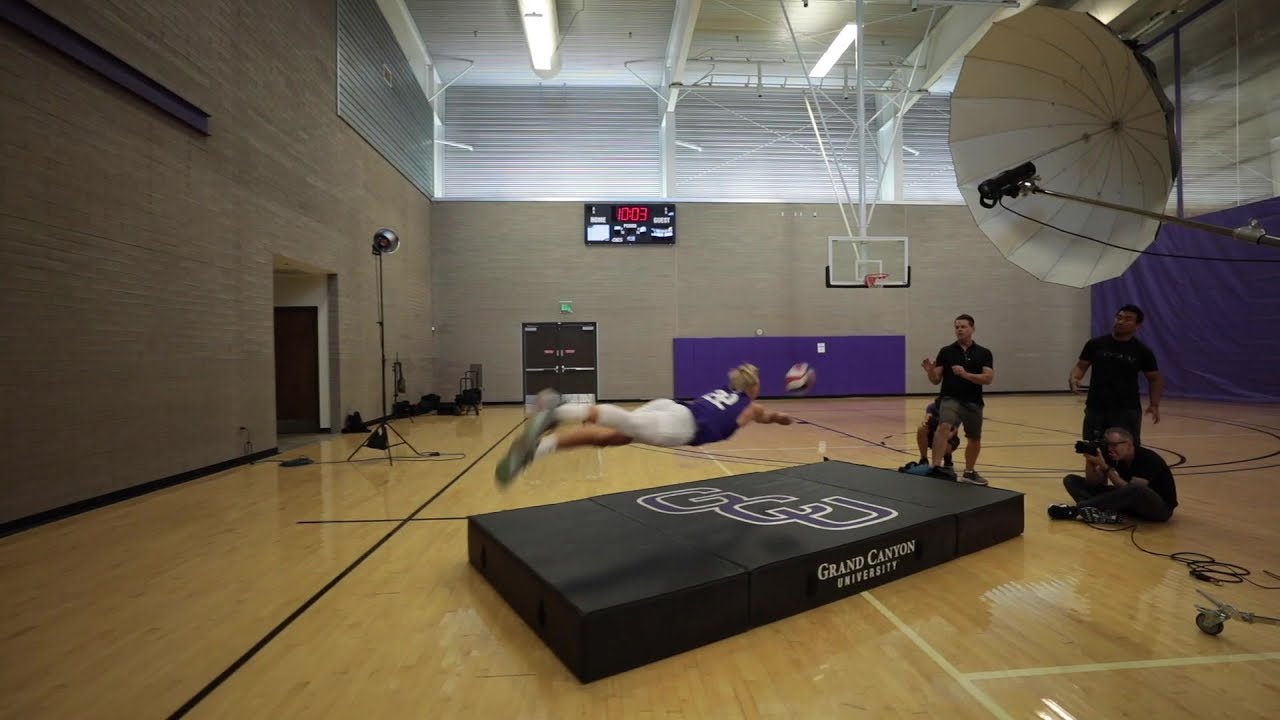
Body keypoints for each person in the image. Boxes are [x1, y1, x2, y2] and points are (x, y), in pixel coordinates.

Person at [495, 363, 794, 486]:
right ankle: (560, 411)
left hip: (672, 407)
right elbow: (772, 417)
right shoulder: (752, 407)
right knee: (627, 422)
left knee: (612, 437)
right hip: (681, 427)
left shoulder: (728, 392)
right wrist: (785, 419)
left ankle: (538, 448)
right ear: (754, 388)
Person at [908, 314, 993, 484]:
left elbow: (988, 378)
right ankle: (936, 467)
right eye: (957, 327)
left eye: (963, 326)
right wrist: (931, 371)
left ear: (972, 329)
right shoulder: (946, 351)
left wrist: (966, 374)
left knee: (974, 438)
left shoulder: (984, 353)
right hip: (950, 398)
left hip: (973, 401)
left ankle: (969, 472)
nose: (959, 330)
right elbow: (935, 380)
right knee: (944, 425)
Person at [1068, 304, 1162, 446]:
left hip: (1127, 410)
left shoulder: (1142, 351)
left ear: (1138, 325)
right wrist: (1074, 377)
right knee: (1092, 452)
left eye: (1128, 319)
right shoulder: (1095, 344)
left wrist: (1154, 404)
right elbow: (1081, 366)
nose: (1121, 321)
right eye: (1119, 317)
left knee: (1126, 453)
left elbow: (1154, 379)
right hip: (1096, 407)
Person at [1049, 427, 1178, 523]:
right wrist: (1090, 462)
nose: (1110, 449)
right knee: (1071, 480)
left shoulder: (1148, 458)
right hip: (1129, 504)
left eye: (1115, 445)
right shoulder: (1113, 455)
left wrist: (1106, 468)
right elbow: (1094, 483)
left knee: (1136, 489)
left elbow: (1134, 491)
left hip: (1158, 509)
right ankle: (1102, 511)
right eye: (1108, 445)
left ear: (1129, 443)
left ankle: (1077, 510)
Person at [899, 399, 959, 473]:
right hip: (933, 433)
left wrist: (944, 435)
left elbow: (955, 430)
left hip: (949, 437)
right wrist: (926, 421)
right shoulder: (932, 407)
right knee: (921, 429)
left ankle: (947, 458)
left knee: (945, 438)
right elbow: (926, 418)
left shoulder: (954, 409)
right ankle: (924, 459)